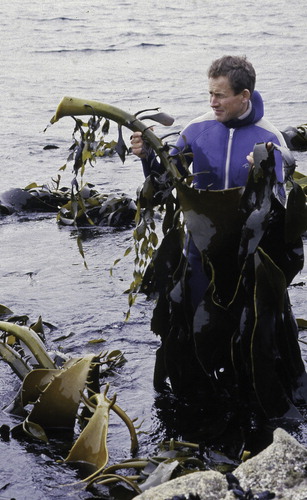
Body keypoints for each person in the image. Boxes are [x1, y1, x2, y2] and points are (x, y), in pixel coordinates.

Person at [131, 55, 288, 308]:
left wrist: (260, 176)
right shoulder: (196, 130)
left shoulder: (270, 138)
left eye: (220, 96)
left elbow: (278, 210)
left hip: (248, 251)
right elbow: (162, 187)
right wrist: (147, 156)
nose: (212, 102)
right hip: (200, 248)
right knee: (195, 324)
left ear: (244, 95)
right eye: (210, 94)